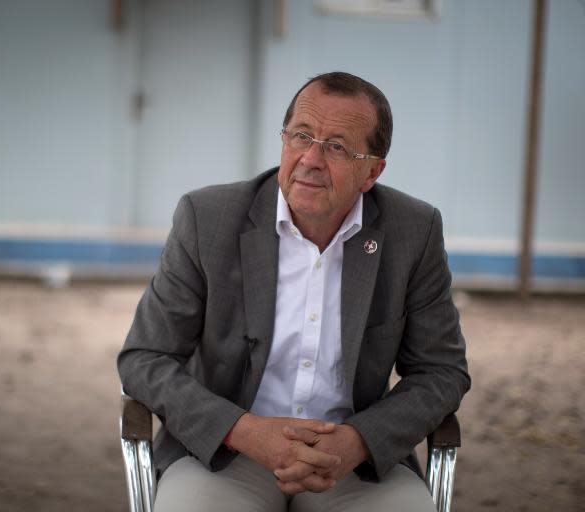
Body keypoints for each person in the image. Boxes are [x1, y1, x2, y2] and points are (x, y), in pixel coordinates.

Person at [117, 71, 470, 511]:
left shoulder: (413, 231)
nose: (311, 159)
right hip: (225, 455)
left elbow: (442, 371)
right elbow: (145, 358)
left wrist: (359, 441)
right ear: (283, 140)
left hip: (352, 463)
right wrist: (245, 431)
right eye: (301, 135)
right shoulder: (207, 218)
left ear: (372, 171)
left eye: (337, 147)